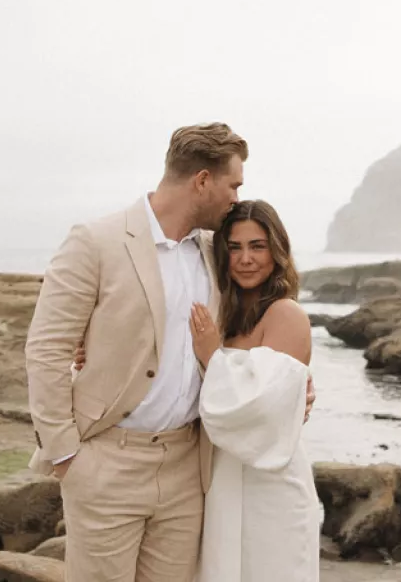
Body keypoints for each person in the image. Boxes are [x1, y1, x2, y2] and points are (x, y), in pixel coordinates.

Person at [24, 122, 313, 582]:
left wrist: (290, 387)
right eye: (233, 184)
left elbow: (253, 344)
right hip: (107, 463)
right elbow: (46, 349)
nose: (237, 197)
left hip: (188, 468)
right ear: (202, 180)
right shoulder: (96, 241)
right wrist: (65, 456)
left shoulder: (215, 251)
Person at [75, 199, 322, 582]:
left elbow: (264, 410)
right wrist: (95, 352)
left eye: (257, 246)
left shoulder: (286, 314)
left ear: (277, 251)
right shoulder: (225, 314)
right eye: (235, 248)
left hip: (267, 479)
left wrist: (212, 356)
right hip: (216, 472)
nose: (245, 259)